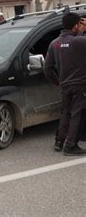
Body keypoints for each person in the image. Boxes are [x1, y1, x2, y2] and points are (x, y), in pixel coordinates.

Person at [44, 13, 86, 156]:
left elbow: (47, 68)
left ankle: (59, 142)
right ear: (75, 25)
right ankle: (71, 145)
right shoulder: (80, 42)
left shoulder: (54, 43)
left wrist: (58, 82)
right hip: (79, 85)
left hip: (64, 85)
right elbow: (77, 41)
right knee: (76, 114)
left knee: (65, 113)